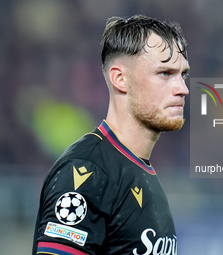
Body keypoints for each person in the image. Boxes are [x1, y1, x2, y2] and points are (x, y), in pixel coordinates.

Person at [32, 14, 189, 255]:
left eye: (183, 74)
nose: (183, 89)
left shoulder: (138, 171)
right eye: (165, 74)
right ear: (120, 79)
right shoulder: (88, 171)